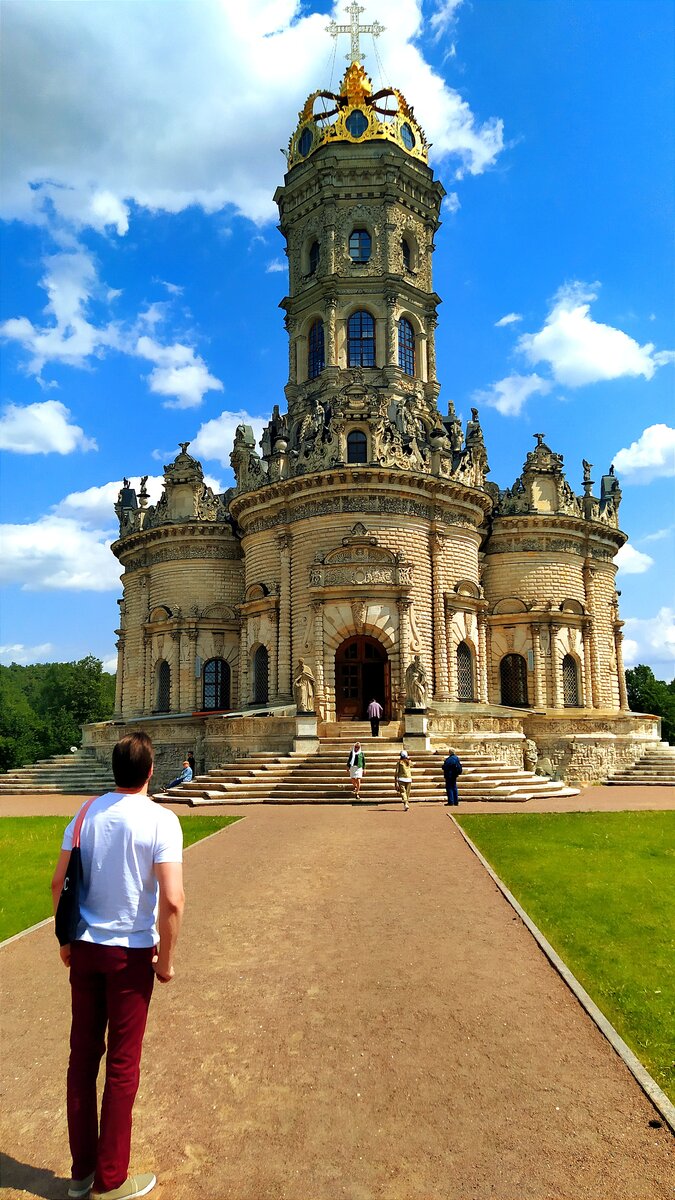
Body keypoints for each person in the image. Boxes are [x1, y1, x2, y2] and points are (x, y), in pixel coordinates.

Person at [51, 732, 184, 1200]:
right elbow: (172, 900)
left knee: (81, 1060)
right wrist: (165, 962)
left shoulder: (84, 813)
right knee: (123, 1066)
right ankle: (110, 1180)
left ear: (113, 767)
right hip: (128, 956)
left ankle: (81, 1172)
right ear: (152, 771)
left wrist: (66, 940)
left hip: (84, 949)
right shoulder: (161, 820)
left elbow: (58, 883)